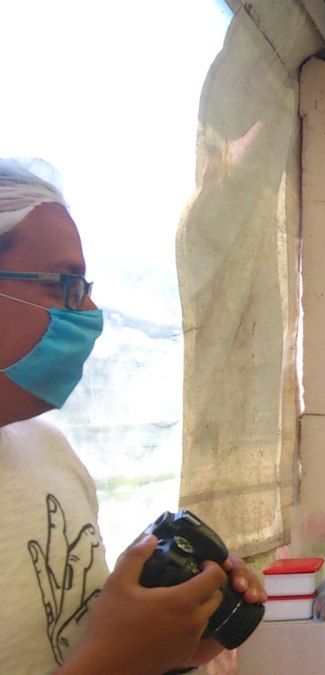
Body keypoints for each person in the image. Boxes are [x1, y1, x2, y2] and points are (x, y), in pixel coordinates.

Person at [0, 158, 264, 674]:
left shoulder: (48, 450)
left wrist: (172, 646)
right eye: (64, 283)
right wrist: (117, 661)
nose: (89, 311)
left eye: (85, 286)